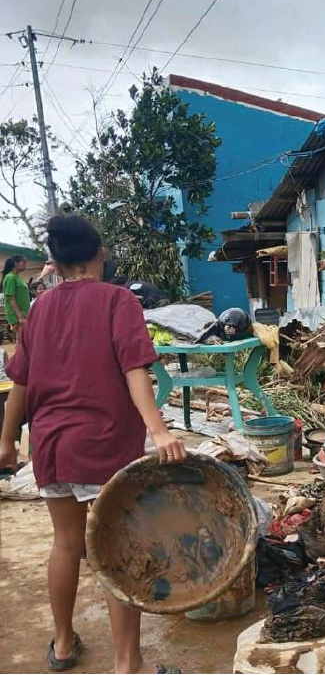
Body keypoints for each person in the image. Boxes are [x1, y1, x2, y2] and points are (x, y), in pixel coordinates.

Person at [0, 215, 186, 674]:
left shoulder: (40, 308)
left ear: (55, 261)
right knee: (116, 547)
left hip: (51, 445)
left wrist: (6, 440)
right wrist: (159, 430)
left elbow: (20, 382)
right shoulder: (117, 300)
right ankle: (128, 663)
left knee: (66, 543)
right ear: (100, 253)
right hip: (104, 446)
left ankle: (64, 644)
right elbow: (134, 370)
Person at [3, 254, 30, 342]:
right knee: (21, 341)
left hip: (23, 312)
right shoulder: (10, 277)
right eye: (23, 263)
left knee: (24, 340)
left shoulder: (16, 277)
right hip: (17, 314)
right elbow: (11, 298)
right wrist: (20, 316)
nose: (26, 265)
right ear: (15, 263)